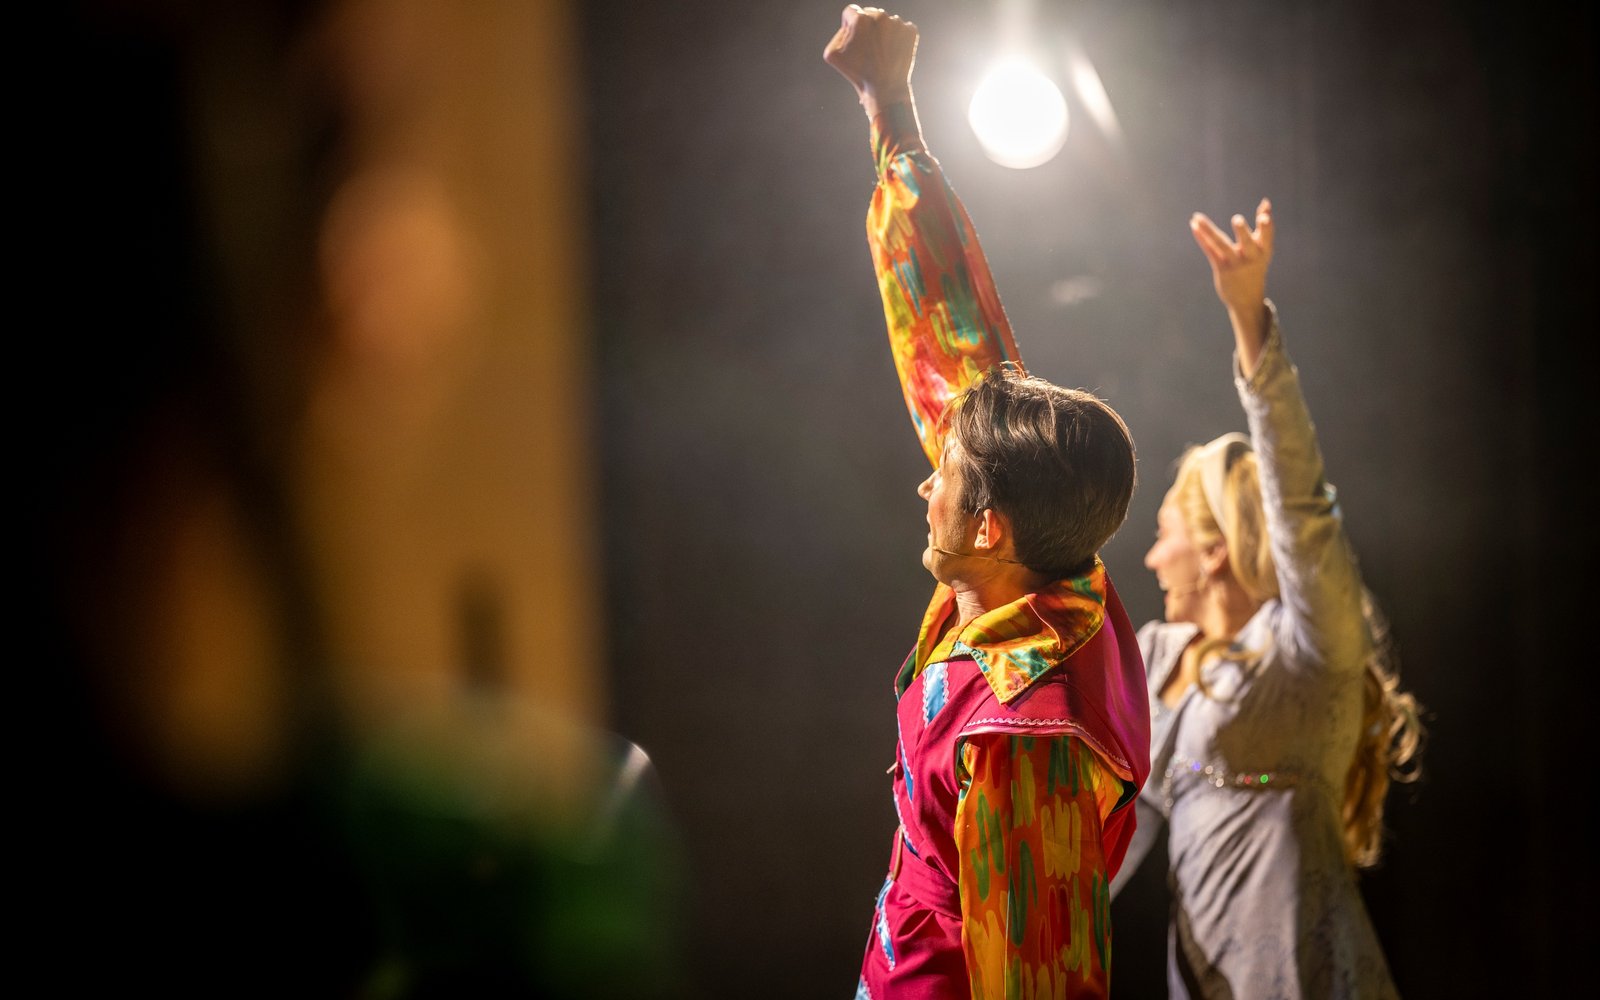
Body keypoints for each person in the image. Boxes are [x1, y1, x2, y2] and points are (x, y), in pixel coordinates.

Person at [824, 7, 1152, 997]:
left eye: (946, 475)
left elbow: (1042, 977)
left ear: (987, 523)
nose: (927, 479)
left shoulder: (1021, 734)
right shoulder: (1053, 561)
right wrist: (892, 110)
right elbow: (953, 340)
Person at [1110, 198, 1424, 997]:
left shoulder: (1304, 652)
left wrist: (1250, 324)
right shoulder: (1158, 661)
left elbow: (1303, 509)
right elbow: (1102, 849)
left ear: (1214, 550)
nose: (1149, 558)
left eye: (1164, 532)